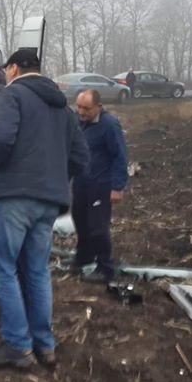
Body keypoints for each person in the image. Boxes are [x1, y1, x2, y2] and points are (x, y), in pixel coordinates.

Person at [0, 49, 89, 369]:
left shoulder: (12, 96)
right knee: (36, 271)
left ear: (14, 68)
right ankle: (44, 346)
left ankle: (18, 346)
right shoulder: (64, 108)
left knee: (2, 268)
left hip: (15, 196)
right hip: (50, 201)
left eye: (7, 70)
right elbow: (80, 158)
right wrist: (55, 180)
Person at [72, 90, 129, 282]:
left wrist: (118, 187)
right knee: (80, 221)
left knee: (97, 227)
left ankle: (105, 268)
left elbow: (120, 157)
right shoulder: (78, 122)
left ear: (98, 106)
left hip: (101, 185)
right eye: (78, 106)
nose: (81, 111)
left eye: (86, 108)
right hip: (81, 183)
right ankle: (83, 258)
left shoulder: (109, 125)